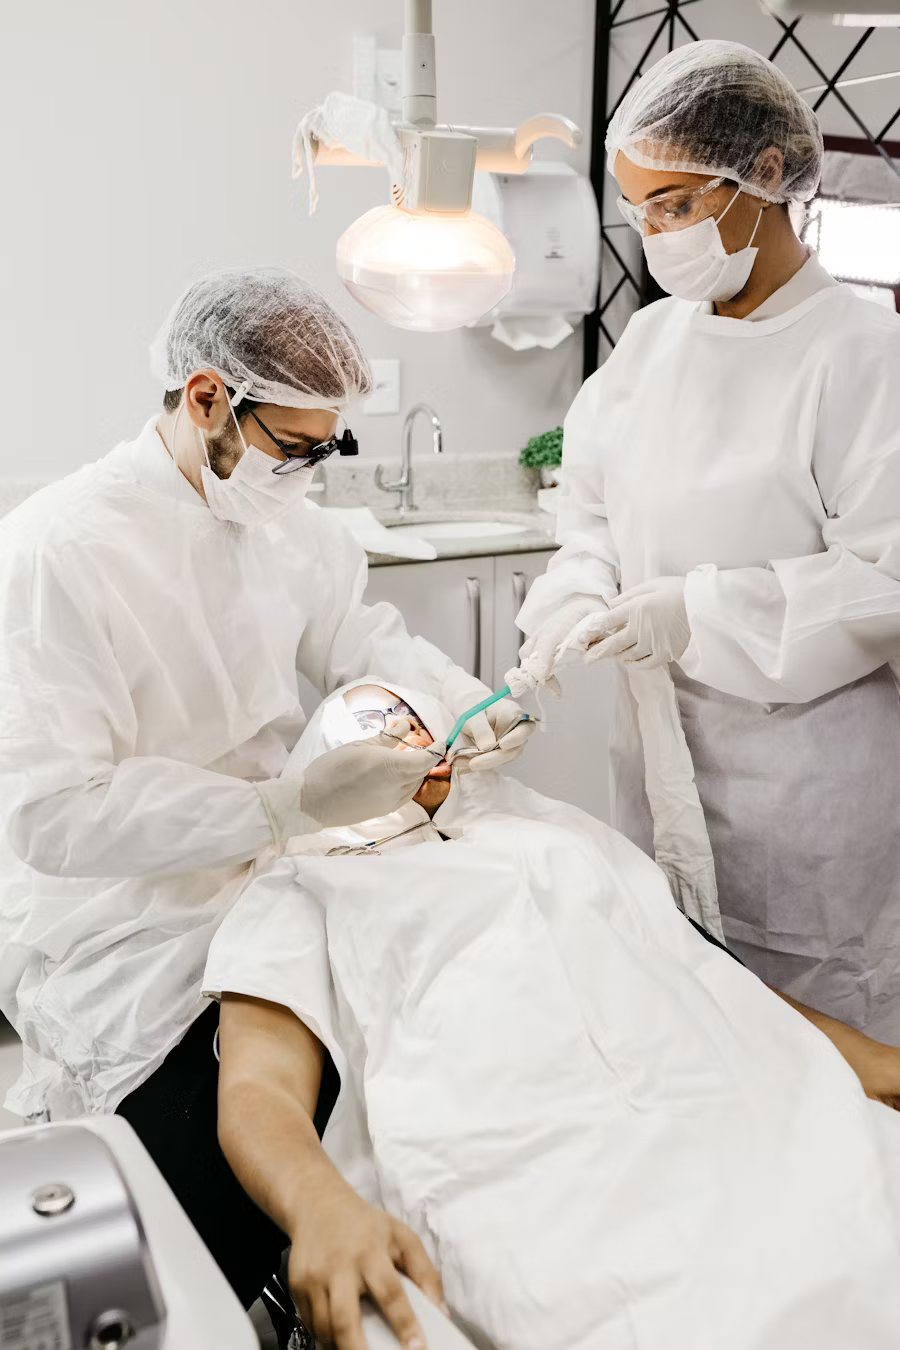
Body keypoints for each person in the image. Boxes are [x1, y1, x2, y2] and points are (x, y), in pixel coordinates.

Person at [0, 266, 533, 1307]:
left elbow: (362, 641)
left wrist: (468, 702)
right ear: (207, 399)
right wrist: (277, 807)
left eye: (329, 448)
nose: (309, 474)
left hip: (288, 866)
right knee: (235, 1145)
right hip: (126, 913)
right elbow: (53, 815)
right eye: (294, 447)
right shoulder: (61, 550)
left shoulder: (293, 524)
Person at [205, 678, 900, 1350]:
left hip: (714, 1098)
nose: (409, 737)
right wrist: (317, 1204)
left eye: (414, 719)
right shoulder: (303, 884)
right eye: (375, 728)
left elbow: (691, 965)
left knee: (856, 1220)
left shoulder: (538, 830)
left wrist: (855, 1051)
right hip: (520, 1149)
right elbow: (258, 1084)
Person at [517, 40, 900, 1042]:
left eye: (675, 205)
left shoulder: (864, 359)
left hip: (806, 805)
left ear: (765, 174)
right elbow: (590, 507)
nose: (655, 236)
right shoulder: (653, 342)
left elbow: (888, 579)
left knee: (823, 1060)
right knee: (688, 1027)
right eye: (639, 211)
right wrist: (576, 589)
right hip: (660, 771)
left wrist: (698, 612)